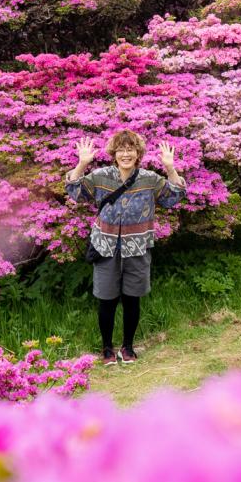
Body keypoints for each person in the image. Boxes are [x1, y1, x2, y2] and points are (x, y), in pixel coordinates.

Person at [66, 129, 186, 364]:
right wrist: (81, 165)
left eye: (130, 149)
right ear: (114, 153)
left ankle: (128, 347)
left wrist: (170, 168)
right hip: (105, 247)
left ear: (138, 153)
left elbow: (173, 197)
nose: (126, 154)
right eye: (121, 149)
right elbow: (76, 193)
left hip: (138, 247)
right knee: (107, 299)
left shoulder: (149, 179)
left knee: (132, 298)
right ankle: (107, 349)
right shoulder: (101, 176)